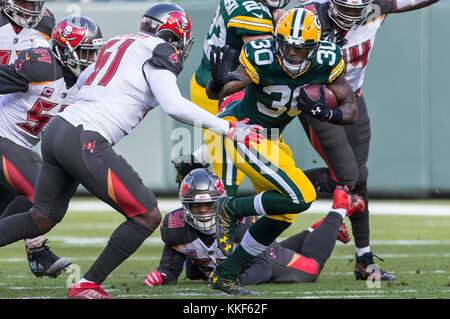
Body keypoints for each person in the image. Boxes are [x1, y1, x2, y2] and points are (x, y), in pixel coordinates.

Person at [0, 2, 263, 299]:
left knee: (41, 216)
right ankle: (88, 285)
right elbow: (173, 105)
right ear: (171, 35)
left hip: (58, 130)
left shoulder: (117, 41)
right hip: (85, 136)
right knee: (147, 215)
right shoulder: (161, 51)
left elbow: (86, 82)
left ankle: (86, 284)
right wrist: (229, 128)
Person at [203, 8, 362, 295]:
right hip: (242, 129)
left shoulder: (328, 59)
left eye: (301, 50)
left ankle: (225, 274)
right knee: (302, 195)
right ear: (277, 41)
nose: (292, 54)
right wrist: (216, 82)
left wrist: (327, 114)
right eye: (287, 46)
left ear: (314, 49)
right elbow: (221, 91)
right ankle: (229, 208)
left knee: (282, 214)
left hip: (272, 139)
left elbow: (350, 110)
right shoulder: (260, 55)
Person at [295, 0, 439, 281]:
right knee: (348, 175)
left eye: (355, 9)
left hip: (352, 98)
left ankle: (364, 259)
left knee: (358, 178)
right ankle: (283, 186)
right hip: (317, 101)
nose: (349, 15)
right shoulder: (311, 14)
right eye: (344, 8)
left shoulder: (379, 7)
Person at [143, 168, 353, 287]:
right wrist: (162, 274)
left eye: (209, 205)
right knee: (279, 247)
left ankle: (339, 209)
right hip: (259, 253)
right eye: (197, 206)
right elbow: (171, 267)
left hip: (270, 259)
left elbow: (263, 269)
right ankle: (316, 229)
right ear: (186, 206)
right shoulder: (175, 227)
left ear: (220, 202)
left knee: (312, 268)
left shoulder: (239, 223)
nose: (204, 211)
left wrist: (231, 280)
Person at [173, 0, 289, 195]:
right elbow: (264, 59)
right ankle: (222, 221)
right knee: (229, 172)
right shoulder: (253, 14)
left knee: (249, 149)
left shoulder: (248, 5)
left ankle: (195, 160)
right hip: (223, 92)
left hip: (213, 83)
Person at [0, 0, 74, 278]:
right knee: (40, 190)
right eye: (23, 2)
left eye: (35, 2)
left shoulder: (46, 24)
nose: (30, 8)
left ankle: (36, 252)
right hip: (6, 123)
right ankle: (38, 252)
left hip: (16, 118)